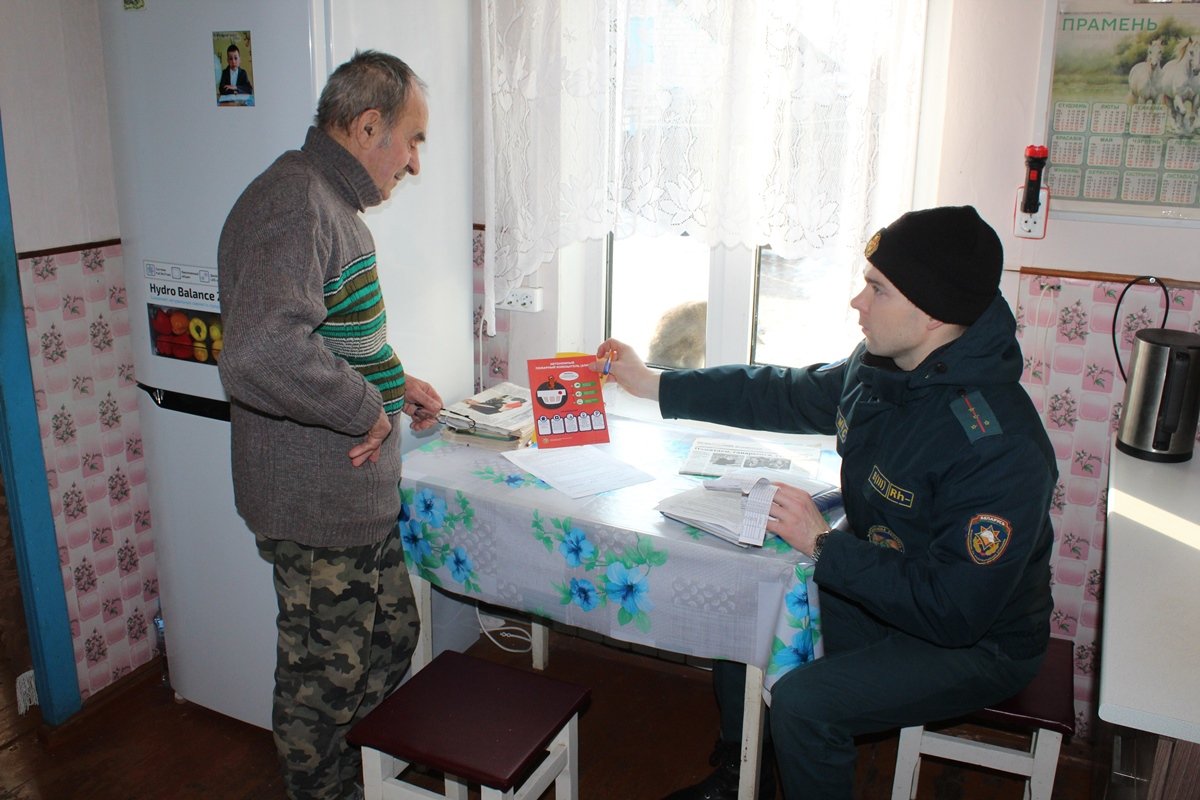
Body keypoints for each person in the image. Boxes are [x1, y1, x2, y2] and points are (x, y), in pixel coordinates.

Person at [595, 205, 1058, 800]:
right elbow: (782, 394)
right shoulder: (882, 366)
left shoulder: (998, 445)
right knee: (743, 608)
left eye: (877, 289)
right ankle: (743, 775)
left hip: (975, 642)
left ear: (933, 314)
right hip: (885, 591)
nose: (857, 302)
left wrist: (822, 544)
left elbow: (954, 609)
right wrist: (655, 384)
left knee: (805, 706)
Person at [217, 50, 443, 800]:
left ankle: (358, 782)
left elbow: (332, 337)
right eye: (411, 140)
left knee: (392, 638)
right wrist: (365, 408)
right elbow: (259, 350)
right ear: (368, 125)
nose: (414, 163)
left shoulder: (331, 204)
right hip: (314, 502)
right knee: (324, 682)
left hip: (352, 497)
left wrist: (394, 385)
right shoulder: (296, 202)